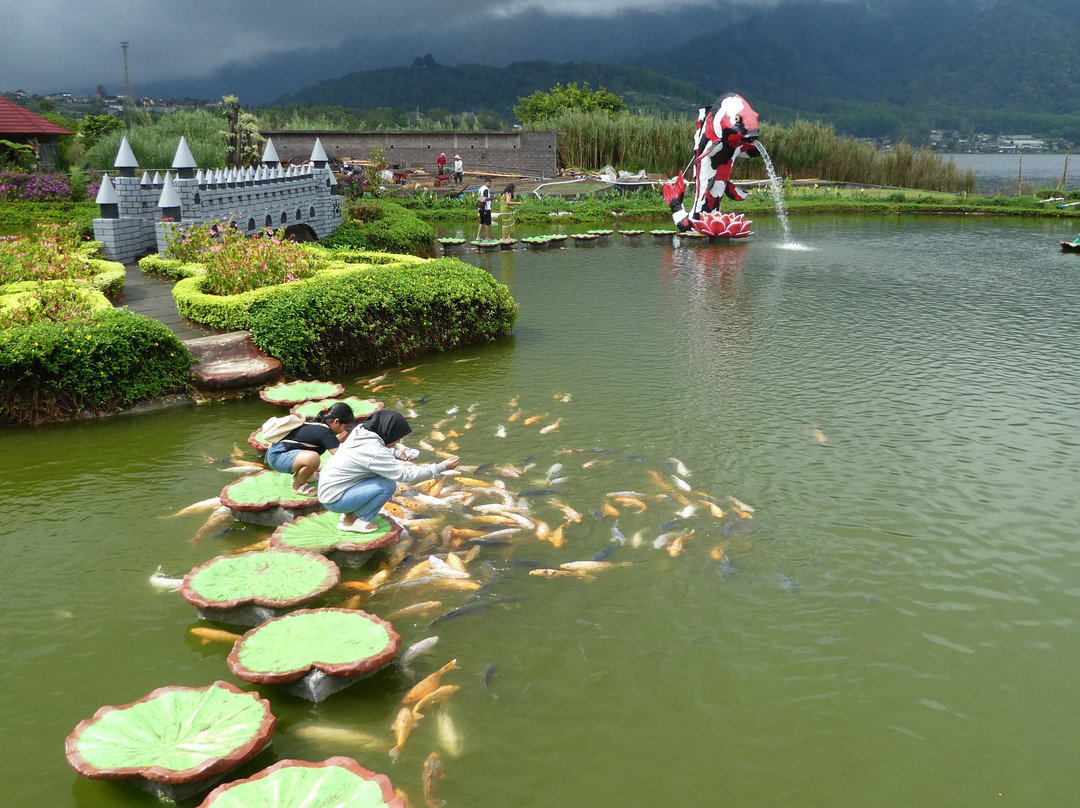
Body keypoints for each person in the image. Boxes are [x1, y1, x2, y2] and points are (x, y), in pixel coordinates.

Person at [318, 410, 460, 533]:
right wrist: (441, 467)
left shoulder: (361, 431)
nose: (398, 440)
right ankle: (352, 521)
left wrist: (397, 454)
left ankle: (350, 512)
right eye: (397, 436)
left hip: (330, 490)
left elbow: (369, 453)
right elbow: (405, 475)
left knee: (379, 477)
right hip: (335, 500)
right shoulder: (374, 452)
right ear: (388, 432)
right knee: (387, 485)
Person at [264, 402, 355, 496]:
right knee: (313, 458)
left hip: (280, 452)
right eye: (345, 427)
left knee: (313, 455)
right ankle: (297, 486)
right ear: (336, 422)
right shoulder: (325, 433)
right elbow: (341, 457)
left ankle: (306, 475)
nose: (344, 431)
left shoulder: (318, 424)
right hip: (277, 456)